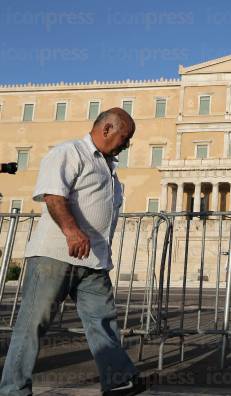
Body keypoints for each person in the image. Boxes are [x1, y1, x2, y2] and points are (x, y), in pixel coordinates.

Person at [0, 108, 148, 396]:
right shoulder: (69, 152)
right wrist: (72, 231)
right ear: (106, 129)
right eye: (125, 137)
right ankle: (13, 389)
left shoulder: (109, 167)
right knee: (32, 325)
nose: (127, 145)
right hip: (55, 256)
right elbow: (53, 195)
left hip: (93, 262)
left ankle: (118, 381)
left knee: (102, 323)